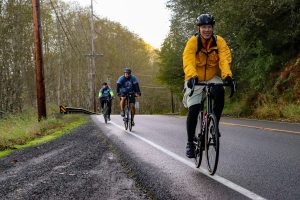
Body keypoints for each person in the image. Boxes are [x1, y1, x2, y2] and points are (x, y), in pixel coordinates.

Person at [182, 14, 234, 158]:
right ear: (199, 28)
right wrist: (192, 76)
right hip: (195, 78)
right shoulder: (193, 42)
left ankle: (214, 124)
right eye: (204, 27)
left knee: (220, 92)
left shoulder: (219, 41)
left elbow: (224, 60)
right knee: (193, 109)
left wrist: (227, 76)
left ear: (212, 28)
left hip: (212, 77)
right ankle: (189, 143)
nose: (207, 30)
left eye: (209, 27)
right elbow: (188, 60)